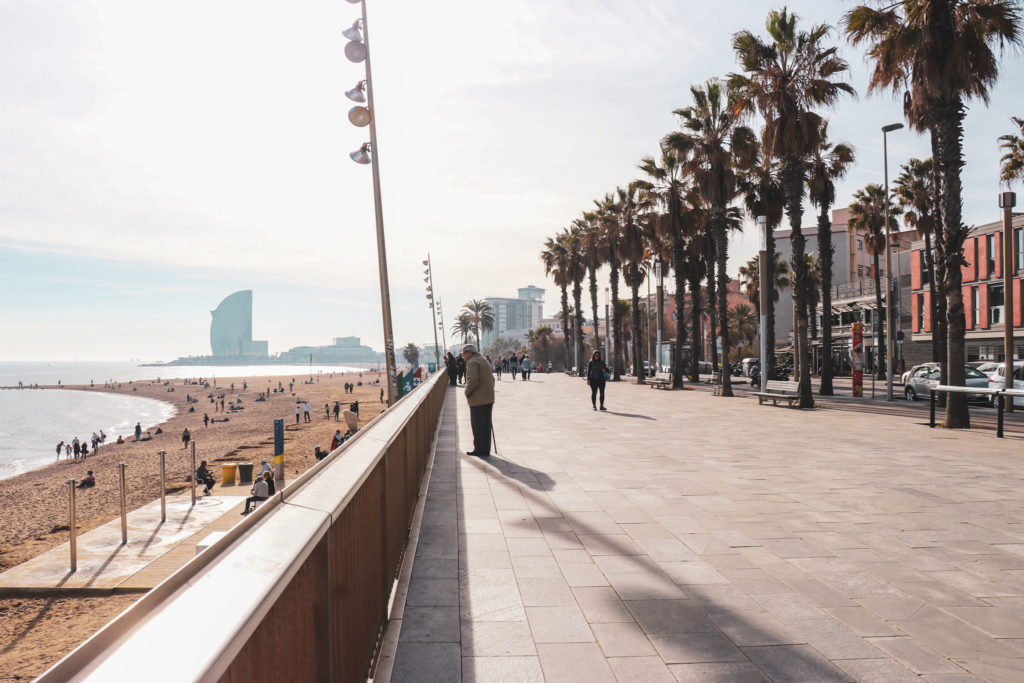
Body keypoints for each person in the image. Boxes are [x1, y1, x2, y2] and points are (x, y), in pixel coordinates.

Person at [462, 344, 495, 457]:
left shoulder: (472, 362)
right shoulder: (483, 360)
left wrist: (467, 392)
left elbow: (473, 381)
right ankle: (485, 449)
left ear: (469, 353)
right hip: (488, 398)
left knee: (477, 425)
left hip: (478, 400)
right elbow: (492, 379)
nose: (463, 356)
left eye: (464, 353)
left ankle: (479, 449)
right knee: (486, 425)